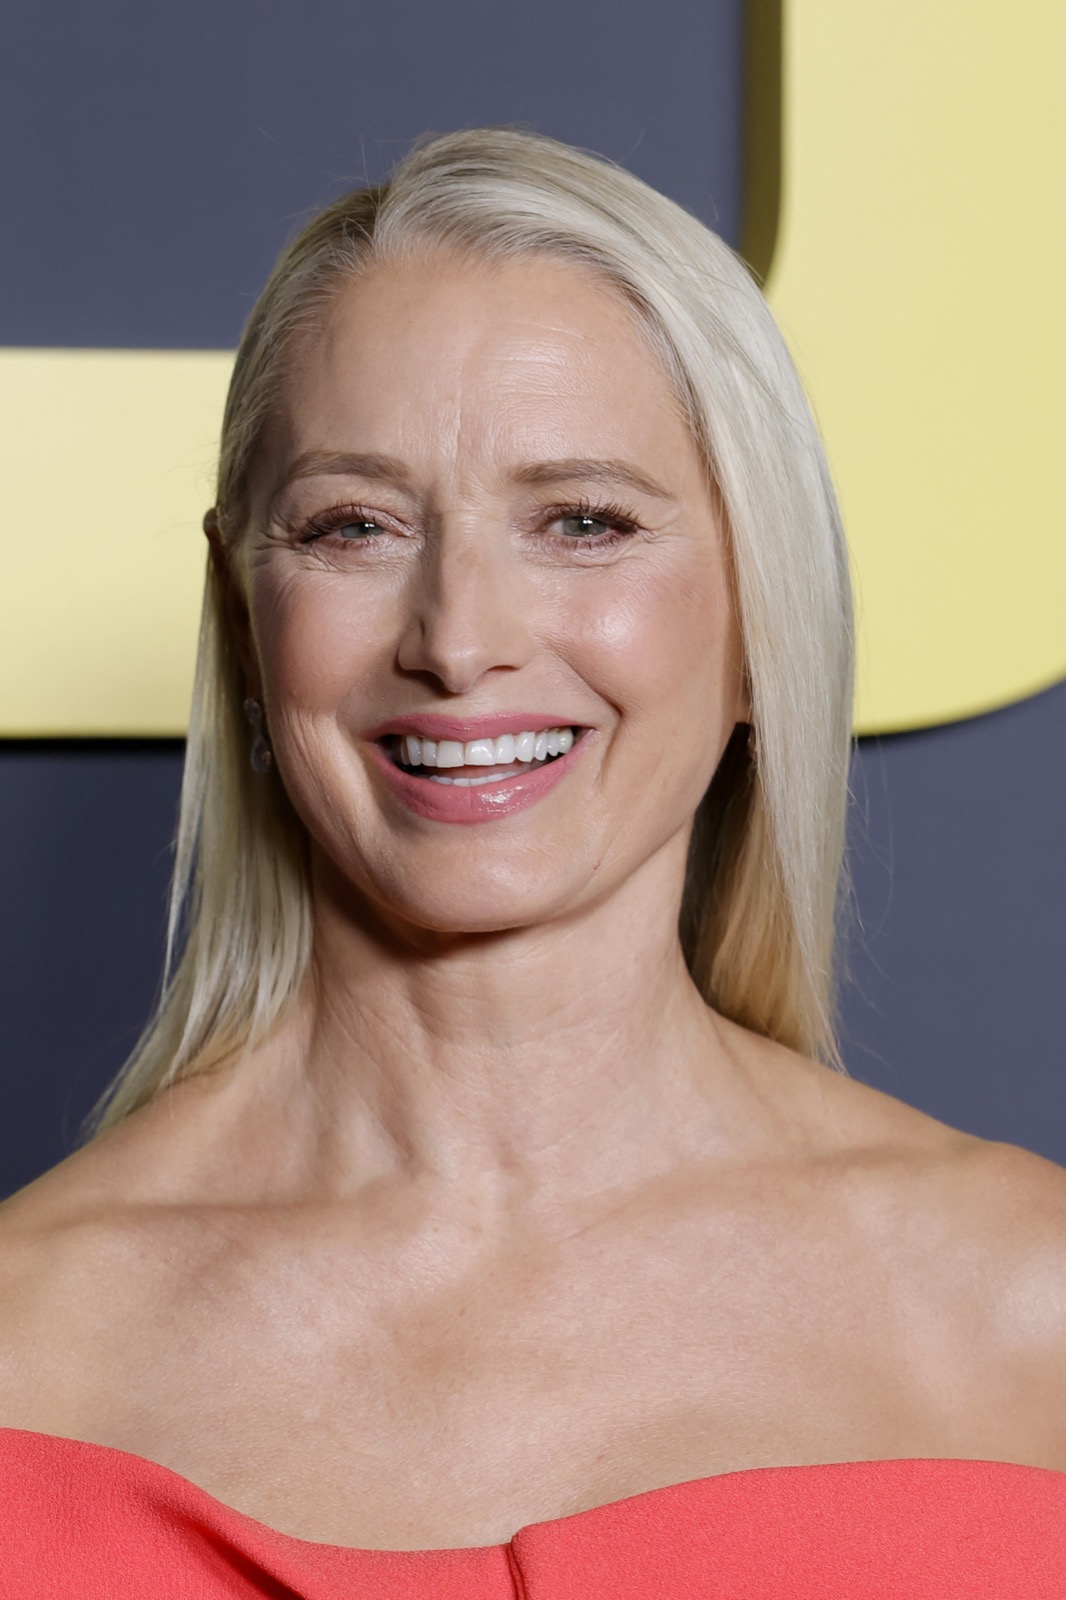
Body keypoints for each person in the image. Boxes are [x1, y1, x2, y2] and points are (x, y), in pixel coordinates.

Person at [0, 126, 1063, 1596]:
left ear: (761, 609)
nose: (457, 638)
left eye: (582, 521)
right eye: (354, 526)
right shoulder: (25, 1344)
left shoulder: (1031, 1308)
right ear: (244, 616)